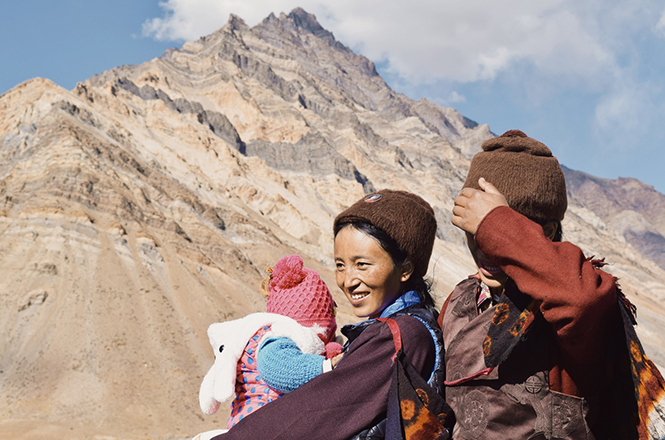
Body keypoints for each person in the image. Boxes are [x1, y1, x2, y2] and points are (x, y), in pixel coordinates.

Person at [439, 129, 659, 439]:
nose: (484, 246)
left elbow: (580, 300)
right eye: (474, 229)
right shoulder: (460, 299)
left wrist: (495, 223)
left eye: (493, 232)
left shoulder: (574, 297)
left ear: (549, 231)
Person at [206, 189, 444, 440]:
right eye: (340, 265)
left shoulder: (399, 336)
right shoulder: (400, 328)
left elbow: (315, 412)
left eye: (362, 264)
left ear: (405, 268)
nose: (348, 280)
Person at [196, 254, 342, 438]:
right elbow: (276, 369)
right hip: (259, 427)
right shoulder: (276, 339)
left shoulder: (285, 338)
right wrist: (326, 366)